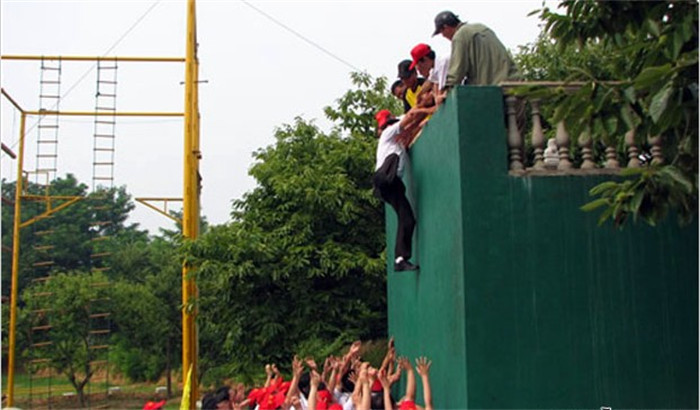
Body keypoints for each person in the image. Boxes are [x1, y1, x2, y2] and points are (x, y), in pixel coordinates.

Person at [372, 109, 432, 272]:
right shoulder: (388, 133)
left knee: (407, 219)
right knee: (407, 219)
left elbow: (408, 134)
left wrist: (421, 125)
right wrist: (430, 110)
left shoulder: (395, 143)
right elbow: (411, 117)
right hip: (387, 179)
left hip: (390, 183)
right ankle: (401, 258)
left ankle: (400, 259)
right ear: (390, 122)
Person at [433, 10, 519, 90]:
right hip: (514, 81)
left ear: (446, 27)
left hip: (498, 90)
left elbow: (456, 74)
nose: (443, 36)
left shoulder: (459, 36)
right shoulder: (481, 27)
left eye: (441, 33)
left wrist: (447, 92)